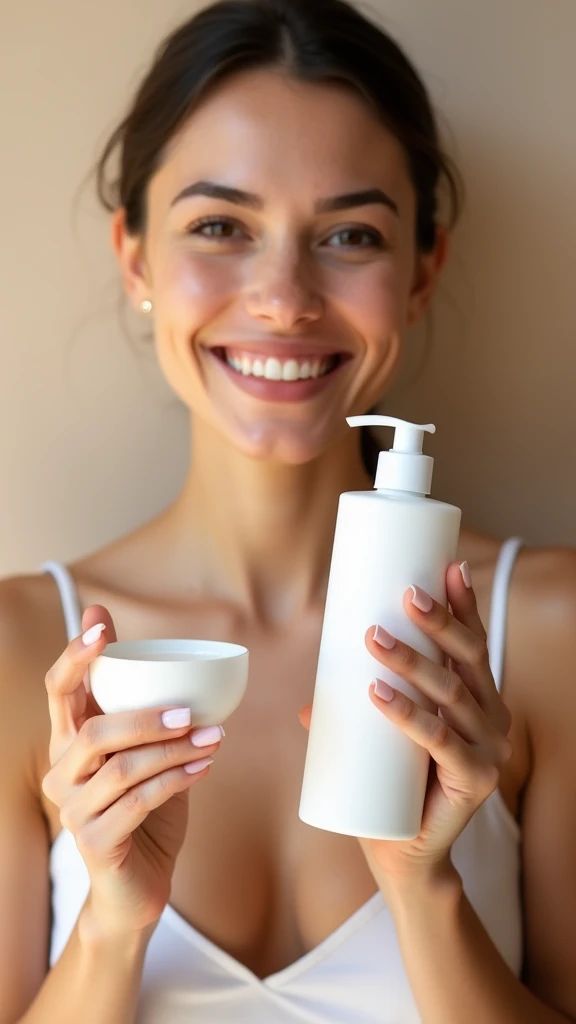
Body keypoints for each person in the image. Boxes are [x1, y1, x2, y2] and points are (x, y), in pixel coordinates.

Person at [1, 0, 575, 1021]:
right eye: (220, 225)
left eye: (350, 234)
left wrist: (424, 885)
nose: (284, 297)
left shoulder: (546, 633)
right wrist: (111, 925)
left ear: (421, 270)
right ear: (134, 255)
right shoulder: (21, 655)